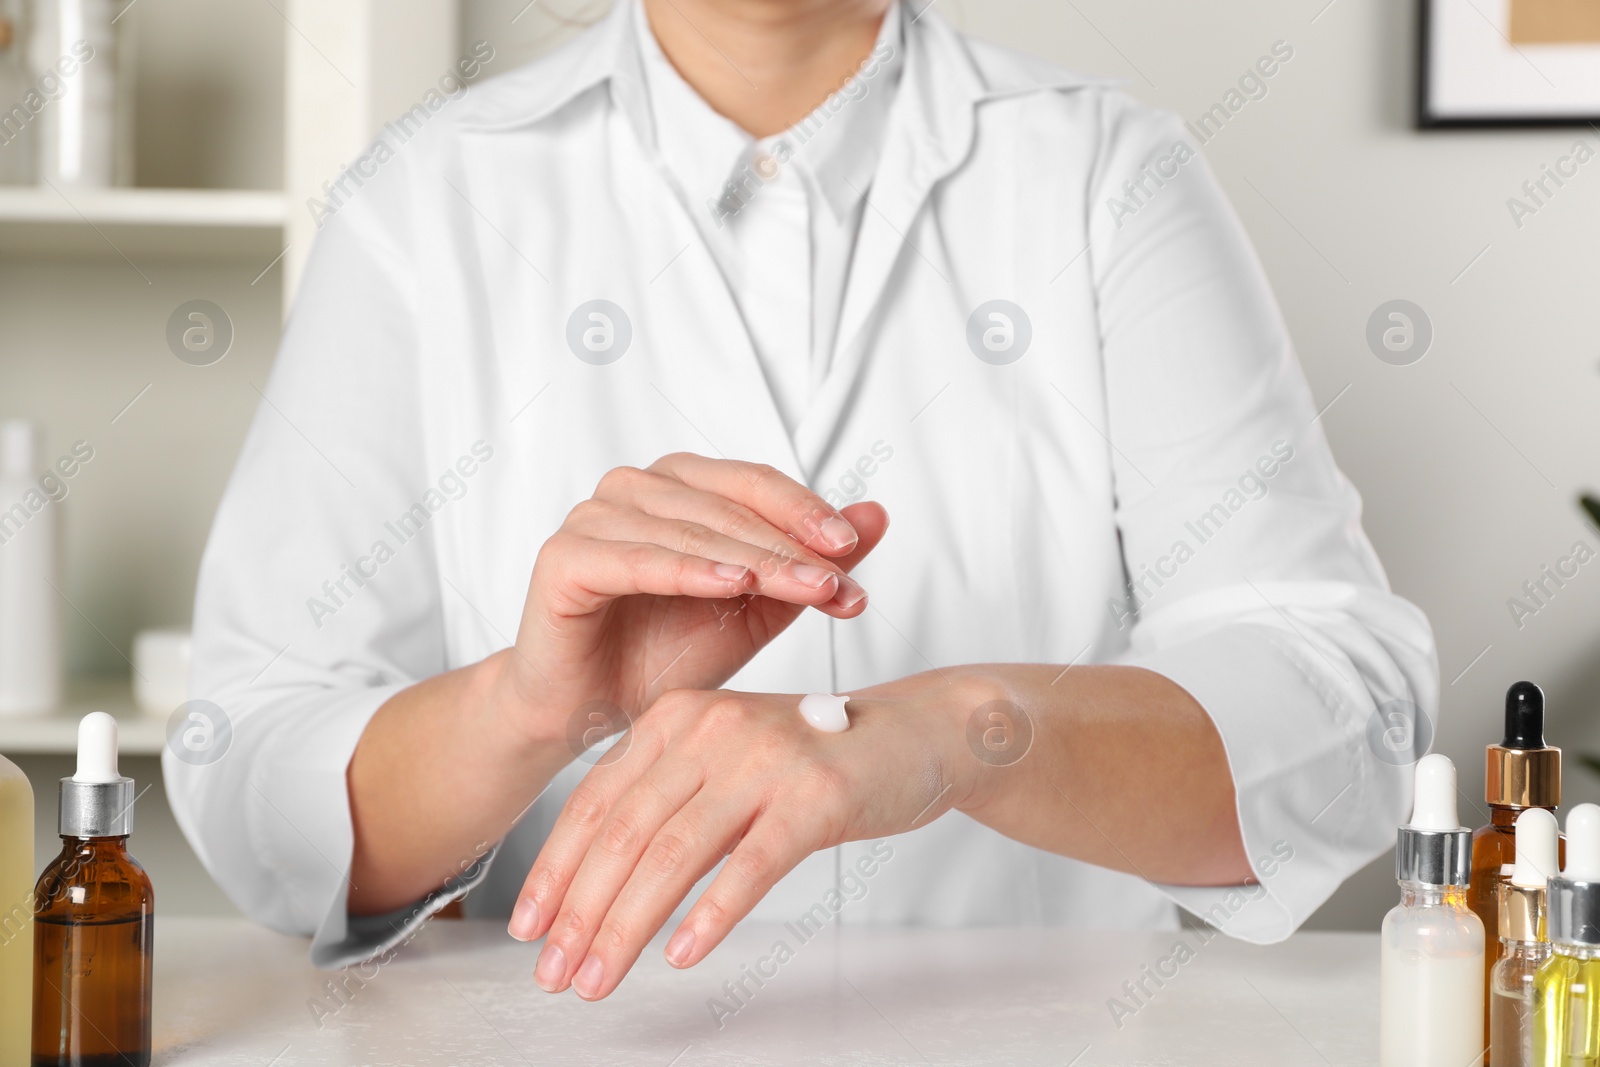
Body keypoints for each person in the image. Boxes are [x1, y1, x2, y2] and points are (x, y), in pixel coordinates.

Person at [165, 0, 1436, 1002]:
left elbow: (1346, 708)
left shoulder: (1104, 170)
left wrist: (954, 730)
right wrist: (533, 706)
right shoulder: (427, 200)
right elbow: (251, 778)